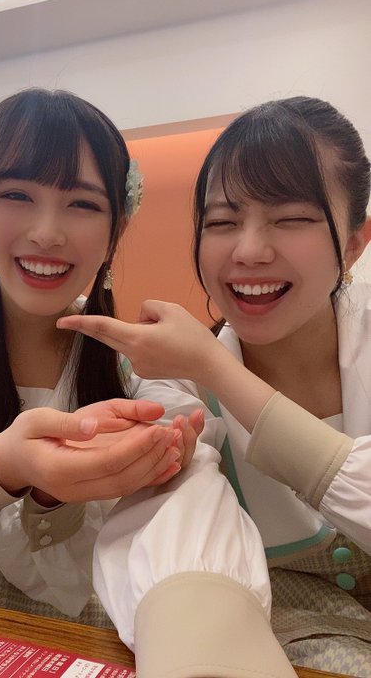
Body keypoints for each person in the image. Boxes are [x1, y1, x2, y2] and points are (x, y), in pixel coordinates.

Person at [0, 87, 210, 628]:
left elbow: (85, 576)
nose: (46, 233)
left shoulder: (129, 367)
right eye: (17, 195)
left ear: (116, 228)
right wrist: (5, 465)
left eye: (82, 204)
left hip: (52, 632)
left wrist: (54, 494)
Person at [58, 96, 371, 675]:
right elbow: (169, 535)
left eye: (291, 218)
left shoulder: (203, 366)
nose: (248, 251)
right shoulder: (178, 389)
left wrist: (217, 366)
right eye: (222, 223)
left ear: (354, 241)